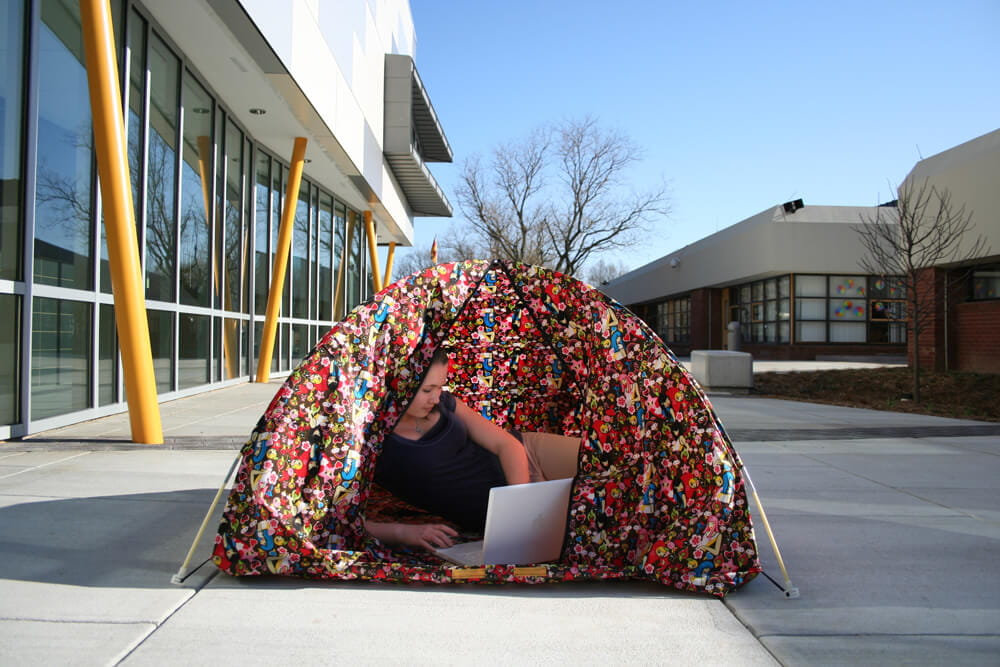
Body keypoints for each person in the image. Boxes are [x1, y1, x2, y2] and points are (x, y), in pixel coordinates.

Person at [366, 347, 581, 552]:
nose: (436, 397)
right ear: (398, 383)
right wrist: (402, 532)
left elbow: (507, 445)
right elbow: (339, 516)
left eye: (441, 387)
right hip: (496, 515)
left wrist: (521, 506)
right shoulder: (374, 438)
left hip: (529, 457)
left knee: (606, 464)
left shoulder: (446, 404)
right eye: (427, 390)